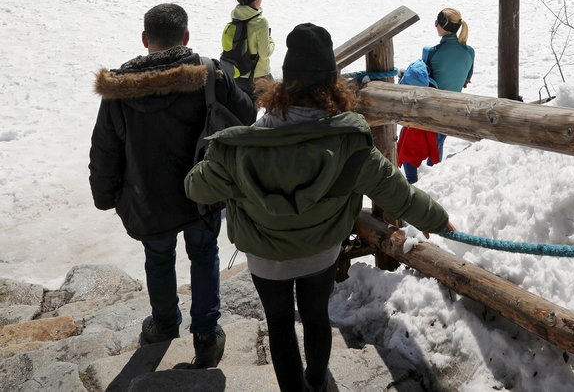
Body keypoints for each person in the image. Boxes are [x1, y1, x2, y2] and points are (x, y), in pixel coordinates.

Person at [185, 23, 454, 392]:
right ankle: (317, 381)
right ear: (333, 85)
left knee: (278, 323)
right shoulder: (349, 142)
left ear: (284, 83)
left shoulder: (238, 148)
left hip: (265, 254)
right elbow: (398, 193)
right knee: (315, 316)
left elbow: (196, 188)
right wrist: (438, 220)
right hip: (321, 249)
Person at [89, 3, 255, 368]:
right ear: (187, 37)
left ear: (146, 39)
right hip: (203, 191)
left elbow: (105, 148)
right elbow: (246, 115)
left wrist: (105, 195)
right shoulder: (211, 74)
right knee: (204, 253)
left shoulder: (119, 90)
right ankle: (207, 335)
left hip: (146, 197)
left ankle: (164, 325)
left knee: (158, 257)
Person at [423, 8, 474, 162]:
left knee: (431, 142)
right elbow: (467, 78)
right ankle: (433, 168)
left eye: (436, 22)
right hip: (455, 106)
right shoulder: (469, 51)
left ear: (440, 25)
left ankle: (428, 172)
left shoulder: (432, 52)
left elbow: (424, 81)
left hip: (432, 107)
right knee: (438, 141)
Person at [221, 0, 274, 98]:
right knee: (277, 106)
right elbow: (264, 53)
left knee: (247, 111)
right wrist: (271, 41)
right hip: (258, 75)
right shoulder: (260, 22)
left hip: (239, 72)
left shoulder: (236, 16)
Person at [396, 59, 439, 184]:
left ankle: (413, 185)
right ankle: (430, 173)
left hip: (412, 138)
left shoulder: (407, 96)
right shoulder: (432, 87)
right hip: (423, 134)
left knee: (410, 173)